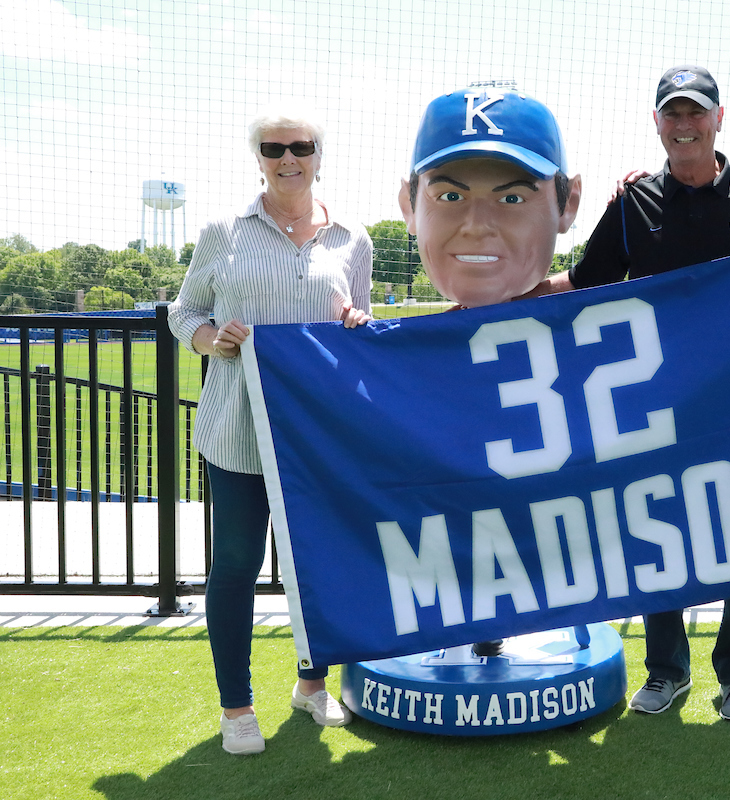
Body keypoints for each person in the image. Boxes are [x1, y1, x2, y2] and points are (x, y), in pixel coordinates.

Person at [526, 65, 730, 724]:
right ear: (657, 123)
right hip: (653, 408)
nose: (685, 125)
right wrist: (507, 297)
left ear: (718, 118)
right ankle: (667, 670)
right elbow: (586, 280)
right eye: (672, 114)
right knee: (657, 536)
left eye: (695, 113)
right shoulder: (632, 203)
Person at [168, 101, 372, 755]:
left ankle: (312, 686)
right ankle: (237, 708)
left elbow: (358, 324)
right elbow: (185, 311)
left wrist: (357, 330)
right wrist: (211, 339)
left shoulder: (352, 238)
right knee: (235, 564)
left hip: (317, 438)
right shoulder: (223, 231)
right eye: (275, 148)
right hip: (238, 433)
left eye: (302, 147)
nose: (289, 159)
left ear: (319, 154)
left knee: (318, 565)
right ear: (257, 158)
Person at [398, 85, 582, 658]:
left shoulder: (582, 307)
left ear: (566, 204)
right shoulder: (415, 343)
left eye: (511, 199)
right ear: (409, 205)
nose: (477, 225)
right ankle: (470, 624)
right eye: (450, 195)